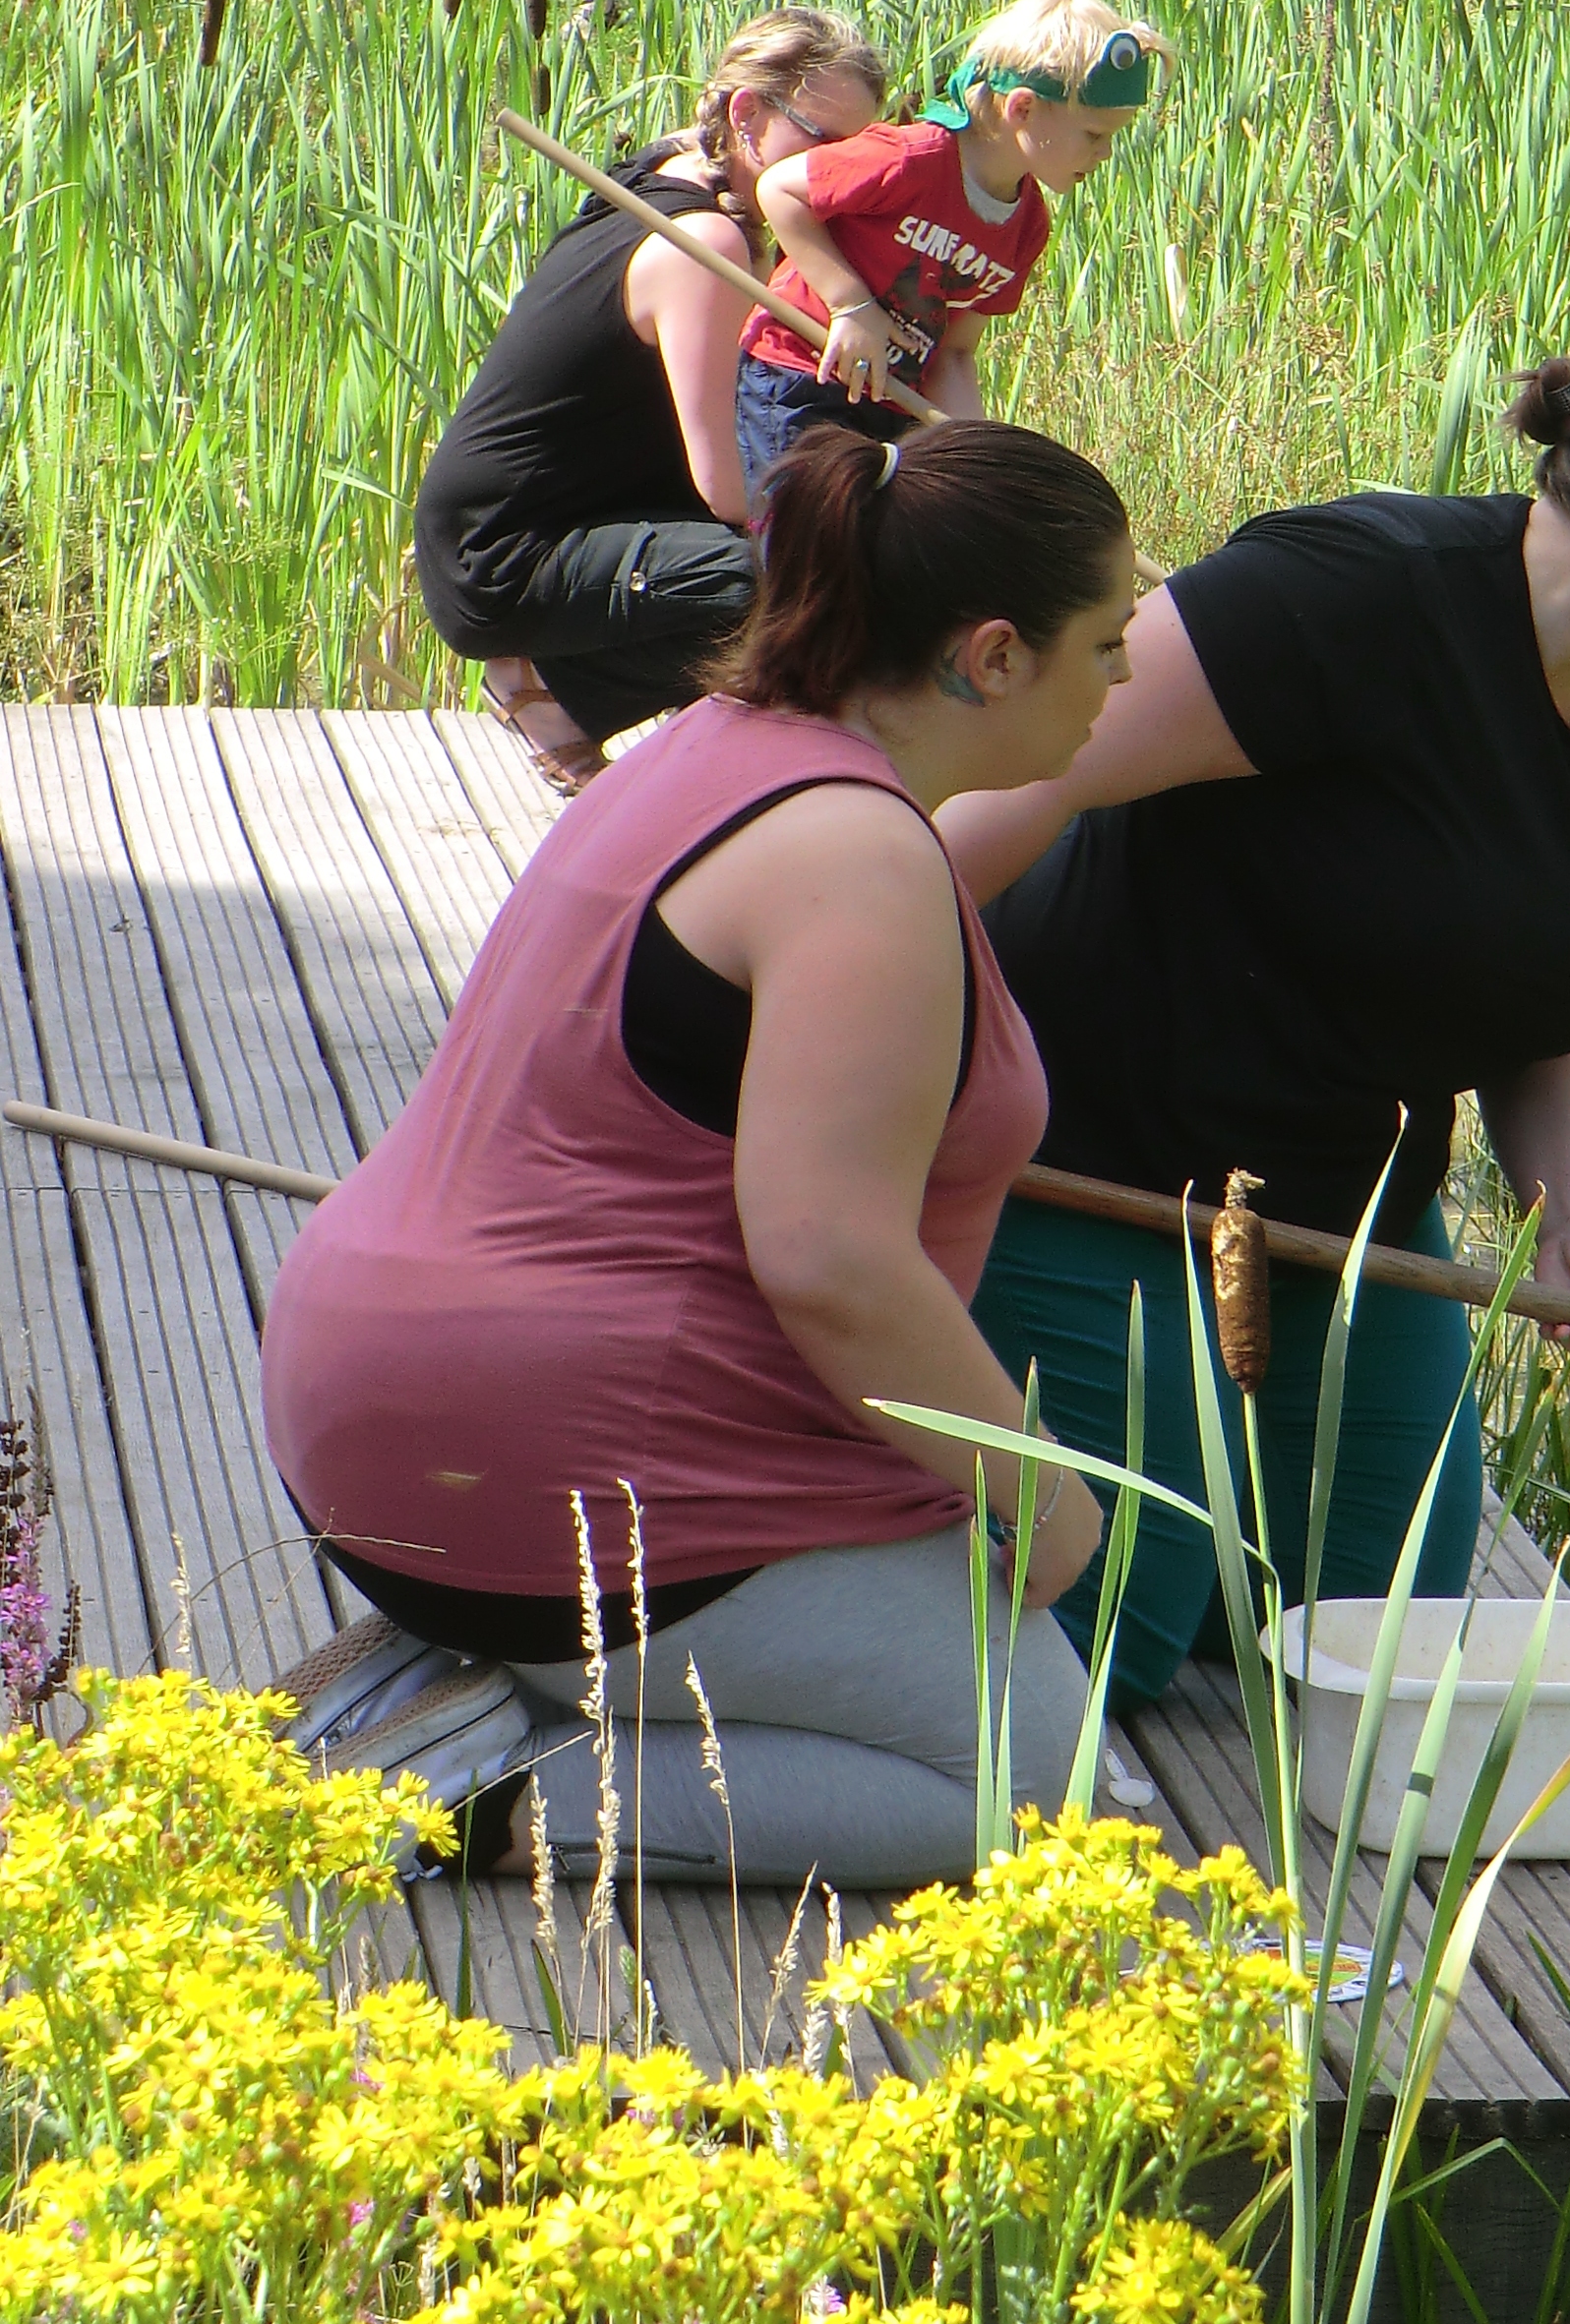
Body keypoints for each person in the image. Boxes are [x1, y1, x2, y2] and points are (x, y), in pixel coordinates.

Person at [264, 420, 1133, 1890]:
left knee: (1028, 1719)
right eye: (1105, 642)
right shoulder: (856, 858)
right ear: (992, 656)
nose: (1122, 678)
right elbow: (829, 1257)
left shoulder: (708, 748)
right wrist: (1036, 1484)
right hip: (565, 1456)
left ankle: (479, 1664)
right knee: (1036, 1793)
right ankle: (454, 1779)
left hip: (380, 1416)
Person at [941, 341, 1570, 1705]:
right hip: (1091, 1163)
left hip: (1340, 1210)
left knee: (1377, 1640)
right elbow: (1014, 790)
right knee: (1118, 1628)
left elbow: (1555, 1023)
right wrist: (845, 1057)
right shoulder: (1350, 593)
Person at [413, 11, 889, 794]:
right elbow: (725, 489)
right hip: (501, 555)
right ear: (746, 115)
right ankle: (553, 695)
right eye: (825, 144)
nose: (839, 177)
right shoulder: (707, 243)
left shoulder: (677, 168)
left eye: (860, 155)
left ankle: (690, 729)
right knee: (784, 579)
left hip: (533, 519)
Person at [735, 0, 1174, 497]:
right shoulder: (910, 159)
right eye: (1095, 135)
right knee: (804, 541)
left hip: (889, 399)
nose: (1105, 154)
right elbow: (780, 191)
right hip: (799, 375)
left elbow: (957, 353)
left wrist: (973, 454)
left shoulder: (1026, 226)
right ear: (1024, 109)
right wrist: (851, 305)